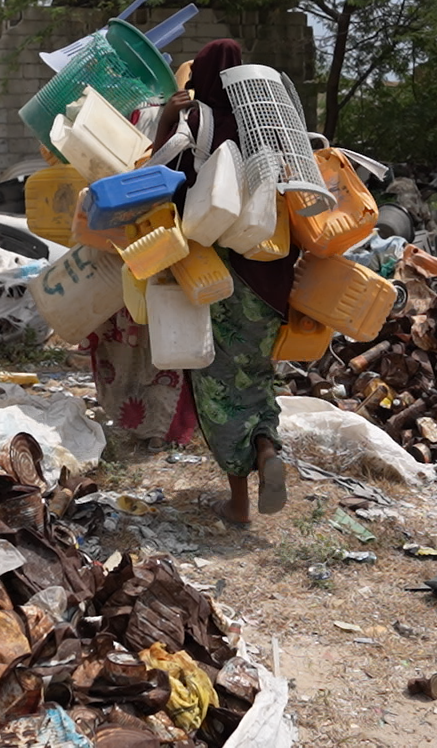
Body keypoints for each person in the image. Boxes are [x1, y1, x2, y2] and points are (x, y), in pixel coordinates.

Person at [148, 38, 290, 527]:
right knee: (258, 379)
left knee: (221, 388)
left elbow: (161, 179)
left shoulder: (199, 123)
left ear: (205, 76)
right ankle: (268, 448)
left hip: (223, 279)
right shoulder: (269, 127)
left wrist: (169, 119)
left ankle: (238, 503)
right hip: (273, 282)